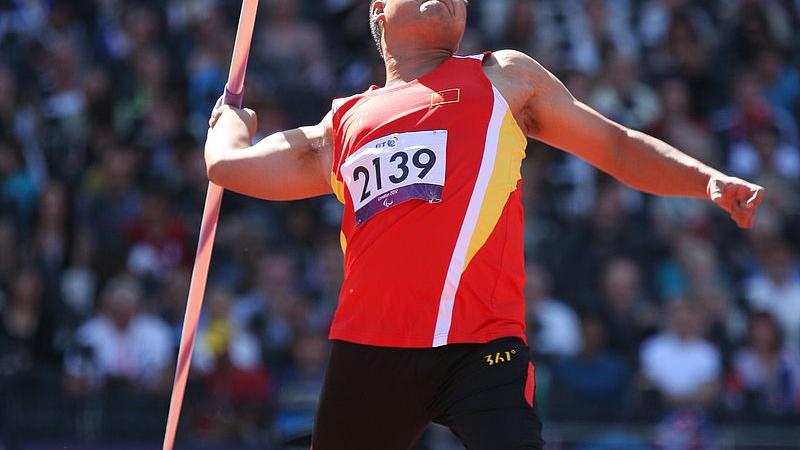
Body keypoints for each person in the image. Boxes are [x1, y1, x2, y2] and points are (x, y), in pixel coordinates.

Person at [204, 1, 764, 448]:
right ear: (379, 12)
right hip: (373, 346)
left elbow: (616, 146)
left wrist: (705, 180)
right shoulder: (343, 122)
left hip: (481, 347)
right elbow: (228, 167)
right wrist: (229, 123)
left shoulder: (503, 78)